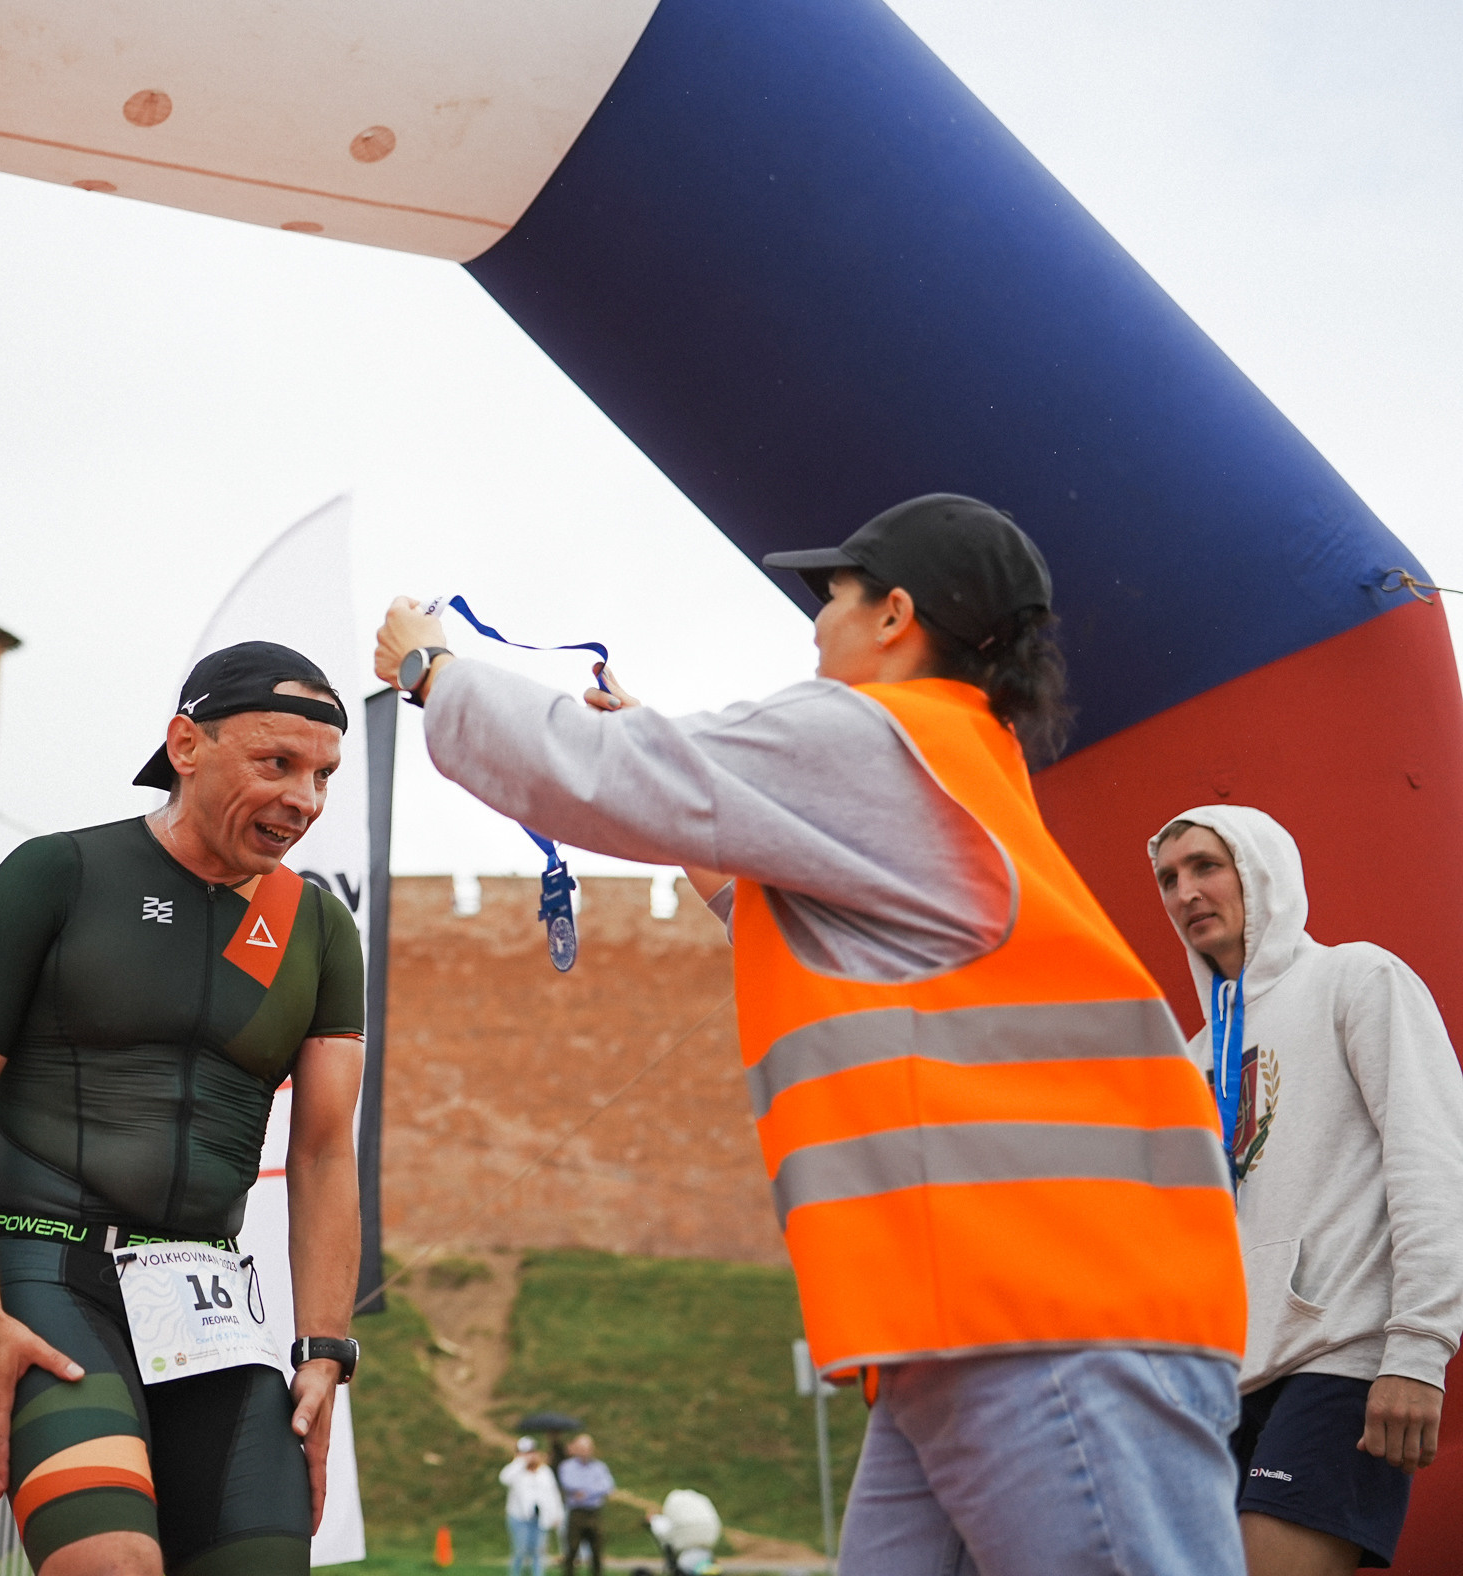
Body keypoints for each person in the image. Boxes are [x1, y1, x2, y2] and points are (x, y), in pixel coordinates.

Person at [374, 494, 1249, 1575]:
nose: (815, 622)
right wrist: (694, 801)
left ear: (895, 615)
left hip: (1049, 1323)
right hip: (988, 1325)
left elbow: (608, 776)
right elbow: (823, 926)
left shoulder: (879, 734)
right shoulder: (958, 757)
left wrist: (435, 675)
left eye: (830, 594)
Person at [0, 641, 369, 1576]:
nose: (304, 800)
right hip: (51, 1276)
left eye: (322, 775)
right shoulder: (58, 874)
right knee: (111, 1563)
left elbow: (324, 1155)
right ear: (186, 745)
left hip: (205, 1301)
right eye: (275, 764)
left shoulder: (318, 929)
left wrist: (324, 1351)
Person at [1151, 807, 1463, 1574]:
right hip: (1222, 1385)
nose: (1185, 891)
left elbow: (1432, 1161)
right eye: (1168, 878)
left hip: (1342, 1355)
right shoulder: (1189, 1060)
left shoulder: (1356, 978)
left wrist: (1418, 1351)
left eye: (1205, 866)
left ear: (1261, 870)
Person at [500, 1436, 566, 1576]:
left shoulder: (544, 1472)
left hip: (540, 1518)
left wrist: (557, 1514)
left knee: (539, 1552)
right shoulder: (516, 1472)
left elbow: (553, 1493)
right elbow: (504, 1478)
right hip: (520, 1518)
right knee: (520, 1551)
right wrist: (520, 1461)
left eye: (531, 1452)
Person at [555, 1434, 614, 1576]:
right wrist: (594, 1489)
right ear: (575, 1449)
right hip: (577, 1513)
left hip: (594, 1512)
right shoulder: (567, 1466)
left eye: (587, 1448)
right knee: (572, 1549)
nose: (584, 1451)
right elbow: (569, 1484)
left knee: (597, 1550)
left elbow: (607, 1486)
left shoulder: (599, 1467)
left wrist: (586, 1492)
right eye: (581, 1448)